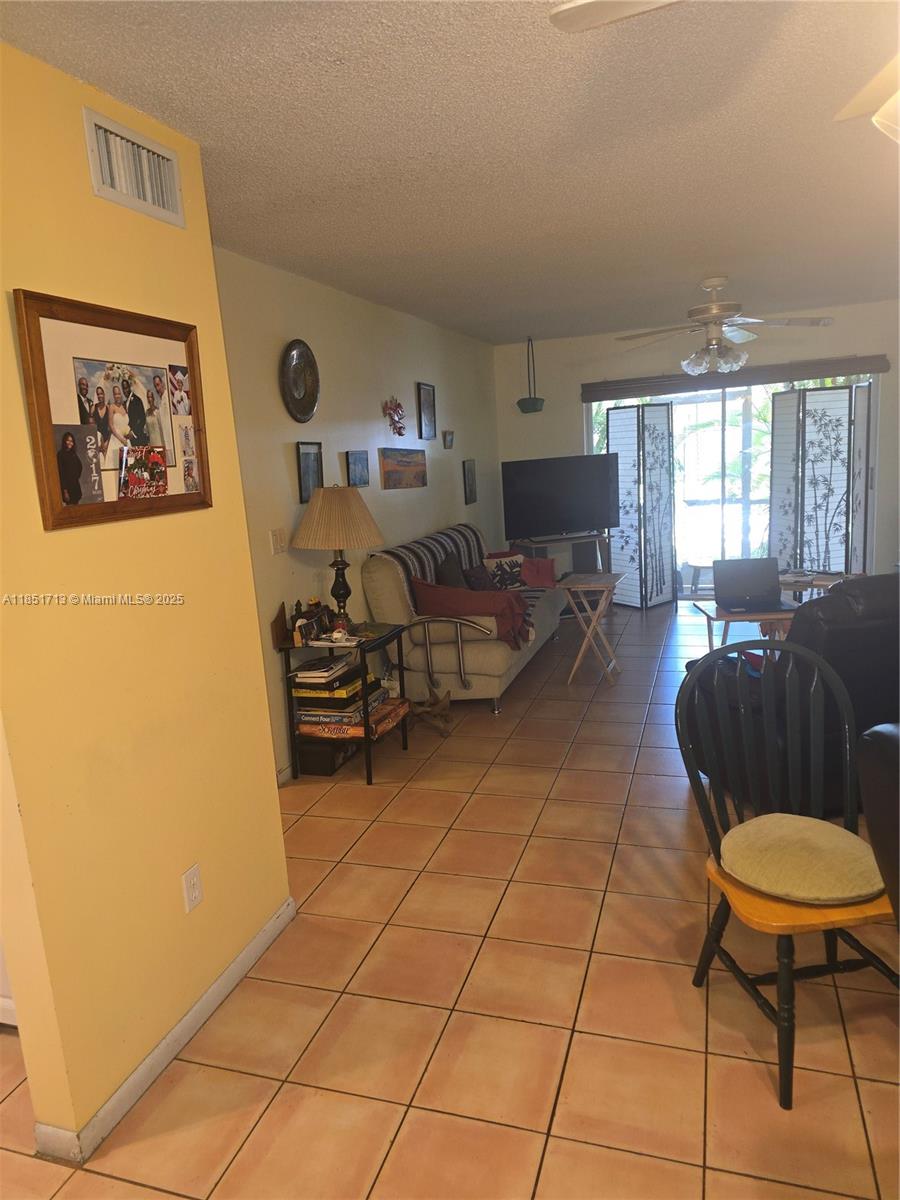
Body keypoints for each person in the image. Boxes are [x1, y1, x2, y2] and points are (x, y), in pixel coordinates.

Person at [104, 386, 132, 470]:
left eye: (119, 393)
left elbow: (126, 424)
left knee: (128, 465)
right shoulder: (112, 407)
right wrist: (120, 439)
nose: (117, 396)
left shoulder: (124, 407)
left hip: (125, 439)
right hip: (116, 438)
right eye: (116, 394)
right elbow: (111, 425)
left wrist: (129, 433)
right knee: (116, 465)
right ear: (113, 395)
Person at [57, 432, 83, 504]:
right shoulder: (60, 454)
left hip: (75, 486)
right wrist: (65, 491)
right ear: (64, 441)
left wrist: (75, 477)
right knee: (70, 506)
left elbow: (80, 466)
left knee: (77, 505)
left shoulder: (73, 454)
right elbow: (61, 473)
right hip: (67, 488)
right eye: (68, 440)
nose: (70, 443)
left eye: (71, 441)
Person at [122, 377, 149, 446]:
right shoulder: (124, 403)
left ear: (129, 387)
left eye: (126, 388)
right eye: (123, 389)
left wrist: (133, 432)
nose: (125, 391)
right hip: (129, 439)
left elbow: (142, 419)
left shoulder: (137, 400)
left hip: (138, 438)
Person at [93, 386, 110, 457]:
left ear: (104, 394)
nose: (100, 396)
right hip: (97, 440)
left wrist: (107, 442)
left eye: (101, 394)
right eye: (98, 394)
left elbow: (111, 427)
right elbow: (91, 426)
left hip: (107, 440)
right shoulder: (93, 408)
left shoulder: (108, 408)